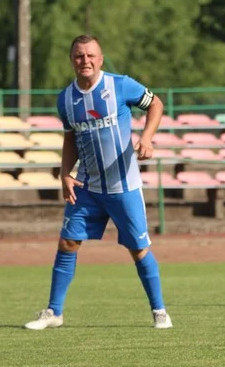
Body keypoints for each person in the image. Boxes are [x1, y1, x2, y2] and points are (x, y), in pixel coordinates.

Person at [24, 35, 173, 330]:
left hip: (123, 186)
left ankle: (159, 311)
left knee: (138, 249)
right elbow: (70, 138)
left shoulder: (120, 85)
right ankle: (54, 312)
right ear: (72, 61)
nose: (85, 61)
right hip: (88, 186)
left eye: (91, 55)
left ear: (101, 59)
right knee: (67, 242)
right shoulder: (65, 98)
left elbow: (155, 103)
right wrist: (66, 173)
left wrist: (146, 138)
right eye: (79, 56)